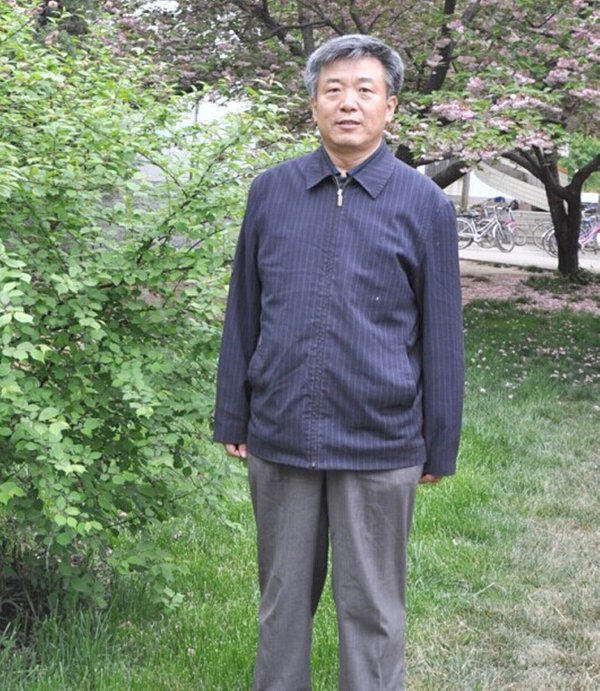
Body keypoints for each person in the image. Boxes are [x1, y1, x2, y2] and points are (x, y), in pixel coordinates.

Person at [213, 34, 464, 691]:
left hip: (381, 438)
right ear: (314, 104)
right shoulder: (272, 191)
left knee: (373, 610)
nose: (348, 103)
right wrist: (234, 410)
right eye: (333, 89)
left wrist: (439, 441)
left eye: (364, 90)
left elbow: (442, 333)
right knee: (281, 602)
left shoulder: (424, 204)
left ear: (390, 106)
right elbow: (244, 306)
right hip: (281, 430)